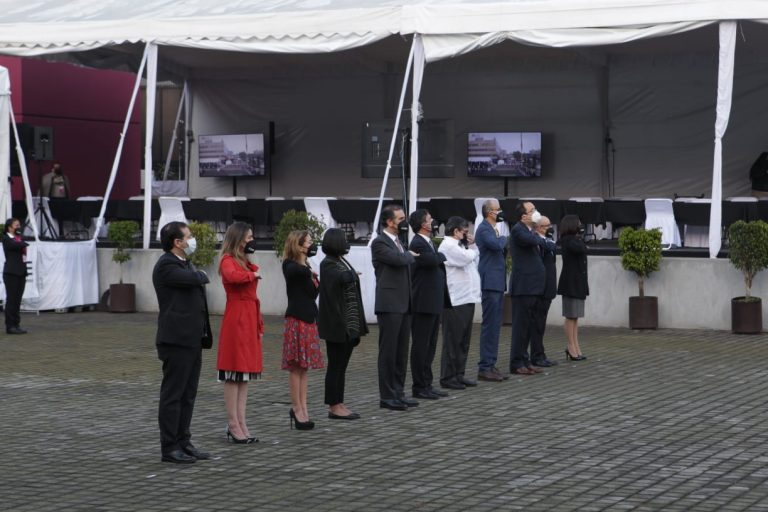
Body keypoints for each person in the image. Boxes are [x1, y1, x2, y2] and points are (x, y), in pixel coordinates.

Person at [152, 221, 213, 464]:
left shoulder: (184, 263)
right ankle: (169, 447)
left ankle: (183, 441)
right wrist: (200, 275)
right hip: (175, 340)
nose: (192, 240)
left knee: (188, 394)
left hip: (191, 340)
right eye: (188, 237)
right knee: (173, 395)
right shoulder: (167, 264)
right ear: (177, 242)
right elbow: (196, 278)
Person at [217, 222, 263, 444]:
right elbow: (232, 277)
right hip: (236, 320)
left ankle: (242, 422)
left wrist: (259, 325)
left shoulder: (245, 262)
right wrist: (252, 276)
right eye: (248, 237)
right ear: (238, 238)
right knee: (233, 372)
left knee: (244, 375)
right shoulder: (228, 260)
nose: (251, 240)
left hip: (249, 317)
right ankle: (233, 423)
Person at [371, 204, 418, 411]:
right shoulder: (380, 242)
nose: (404, 222)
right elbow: (400, 260)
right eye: (400, 219)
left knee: (401, 351)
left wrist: (407, 254)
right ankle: (387, 395)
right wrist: (409, 255)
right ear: (389, 222)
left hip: (404, 303)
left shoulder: (400, 241)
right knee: (388, 352)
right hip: (389, 304)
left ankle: (399, 392)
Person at [318, 228, 368, 420]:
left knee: (342, 366)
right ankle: (333, 405)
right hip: (337, 326)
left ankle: (339, 402)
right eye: (344, 240)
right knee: (335, 366)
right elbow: (339, 280)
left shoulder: (340, 261)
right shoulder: (328, 264)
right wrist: (352, 275)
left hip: (348, 325)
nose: (347, 244)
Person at [282, 230, 324, 430]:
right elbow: (295, 272)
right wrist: (311, 272)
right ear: (298, 246)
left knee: (304, 367)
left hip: (309, 319)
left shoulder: (307, 267)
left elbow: (313, 292)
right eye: (308, 242)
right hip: (296, 319)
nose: (312, 245)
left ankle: (303, 407)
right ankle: (296, 407)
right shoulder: (290, 265)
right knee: (296, 366)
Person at [408, 209, 451, 400]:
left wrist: (437, 257)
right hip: (422, 302)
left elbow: (433, 260)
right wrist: (440, 256)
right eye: (429, 219)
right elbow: (431, 261)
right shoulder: (417, 242)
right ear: (423, 224)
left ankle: (427, 382)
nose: (432, 221)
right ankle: (419, 385)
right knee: (421, 345)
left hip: (434, 301)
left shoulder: (428, 242)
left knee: (431, 344)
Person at [509, 201, 556, 375]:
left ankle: (525, 359)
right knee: (520, 327)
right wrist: (544, 240)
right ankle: (516, 362)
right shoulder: (518, 230)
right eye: (533, 210)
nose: (536, 212)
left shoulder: (528, 230)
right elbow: (534, 240)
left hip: (534, 288)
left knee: (529, 326)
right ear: (524, 216)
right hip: (523, 287)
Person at [438, 216, 481, 390]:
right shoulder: (448, 245)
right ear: (456, 231)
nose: (467, 235)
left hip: (467, 297)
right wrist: (472, 247)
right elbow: (466, 258)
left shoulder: (460, 245)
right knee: (453, 340)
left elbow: (473, 260)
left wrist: (471, 247)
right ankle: (448, 376)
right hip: (455, 300)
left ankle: (459, 374)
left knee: (463, 339)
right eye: (465, 232)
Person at [474, 198, 508, 382]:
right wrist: (504, 238)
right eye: (497, 209)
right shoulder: (484, 229)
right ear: (489, 212)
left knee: (496, 324)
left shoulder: (494, 229)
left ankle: (491, 364)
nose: (500, 211)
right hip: (490, 282)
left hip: (497, 282)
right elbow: (497, 245)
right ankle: (484, 366)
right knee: (490, 325)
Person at [558, 214, 589, 361]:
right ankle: (571, 346)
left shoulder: (574, 240)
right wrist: (580, 237)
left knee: (575, 316)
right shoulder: (568, 241)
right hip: (571, 283)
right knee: (570, 316)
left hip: (578, 283)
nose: (581, 226)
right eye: (578, 223)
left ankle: (576, 346)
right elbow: (581, 249)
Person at [529, 216, 558, 367]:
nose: (549, 228)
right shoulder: (536, 241)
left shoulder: (549, 240)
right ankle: (536, 355)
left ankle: (540, 352)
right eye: (547, 226)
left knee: (541, 322)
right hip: (540, 288)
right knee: (537, 323)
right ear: (539, 227)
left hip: (548, 288)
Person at [3, 218, 28, 335]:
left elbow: (23, 243)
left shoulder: (18, 238)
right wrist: (22, 242)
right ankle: (10, 326)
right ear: (9, 227)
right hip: (11, 273)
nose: (18, 227)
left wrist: (21, 241)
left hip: (21, 272)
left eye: (19, 225)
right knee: (11, 300)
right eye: (16, 225)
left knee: (17, 300)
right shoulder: (6, 238)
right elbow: (17, 245)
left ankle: (16, 324)